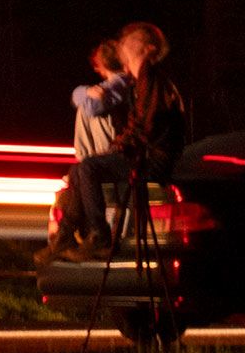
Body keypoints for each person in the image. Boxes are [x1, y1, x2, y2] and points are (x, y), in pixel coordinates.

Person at [56, 21, 185, 258]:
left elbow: (147, 126)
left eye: (131, 38)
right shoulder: (140, 82)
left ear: (149, 48)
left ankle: (100, 236)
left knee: (89, 167)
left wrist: (119, 147)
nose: (124, 41)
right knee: (79, 170)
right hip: (144, 155)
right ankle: (64, 239)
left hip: (152, 160)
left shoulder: (152, 80)